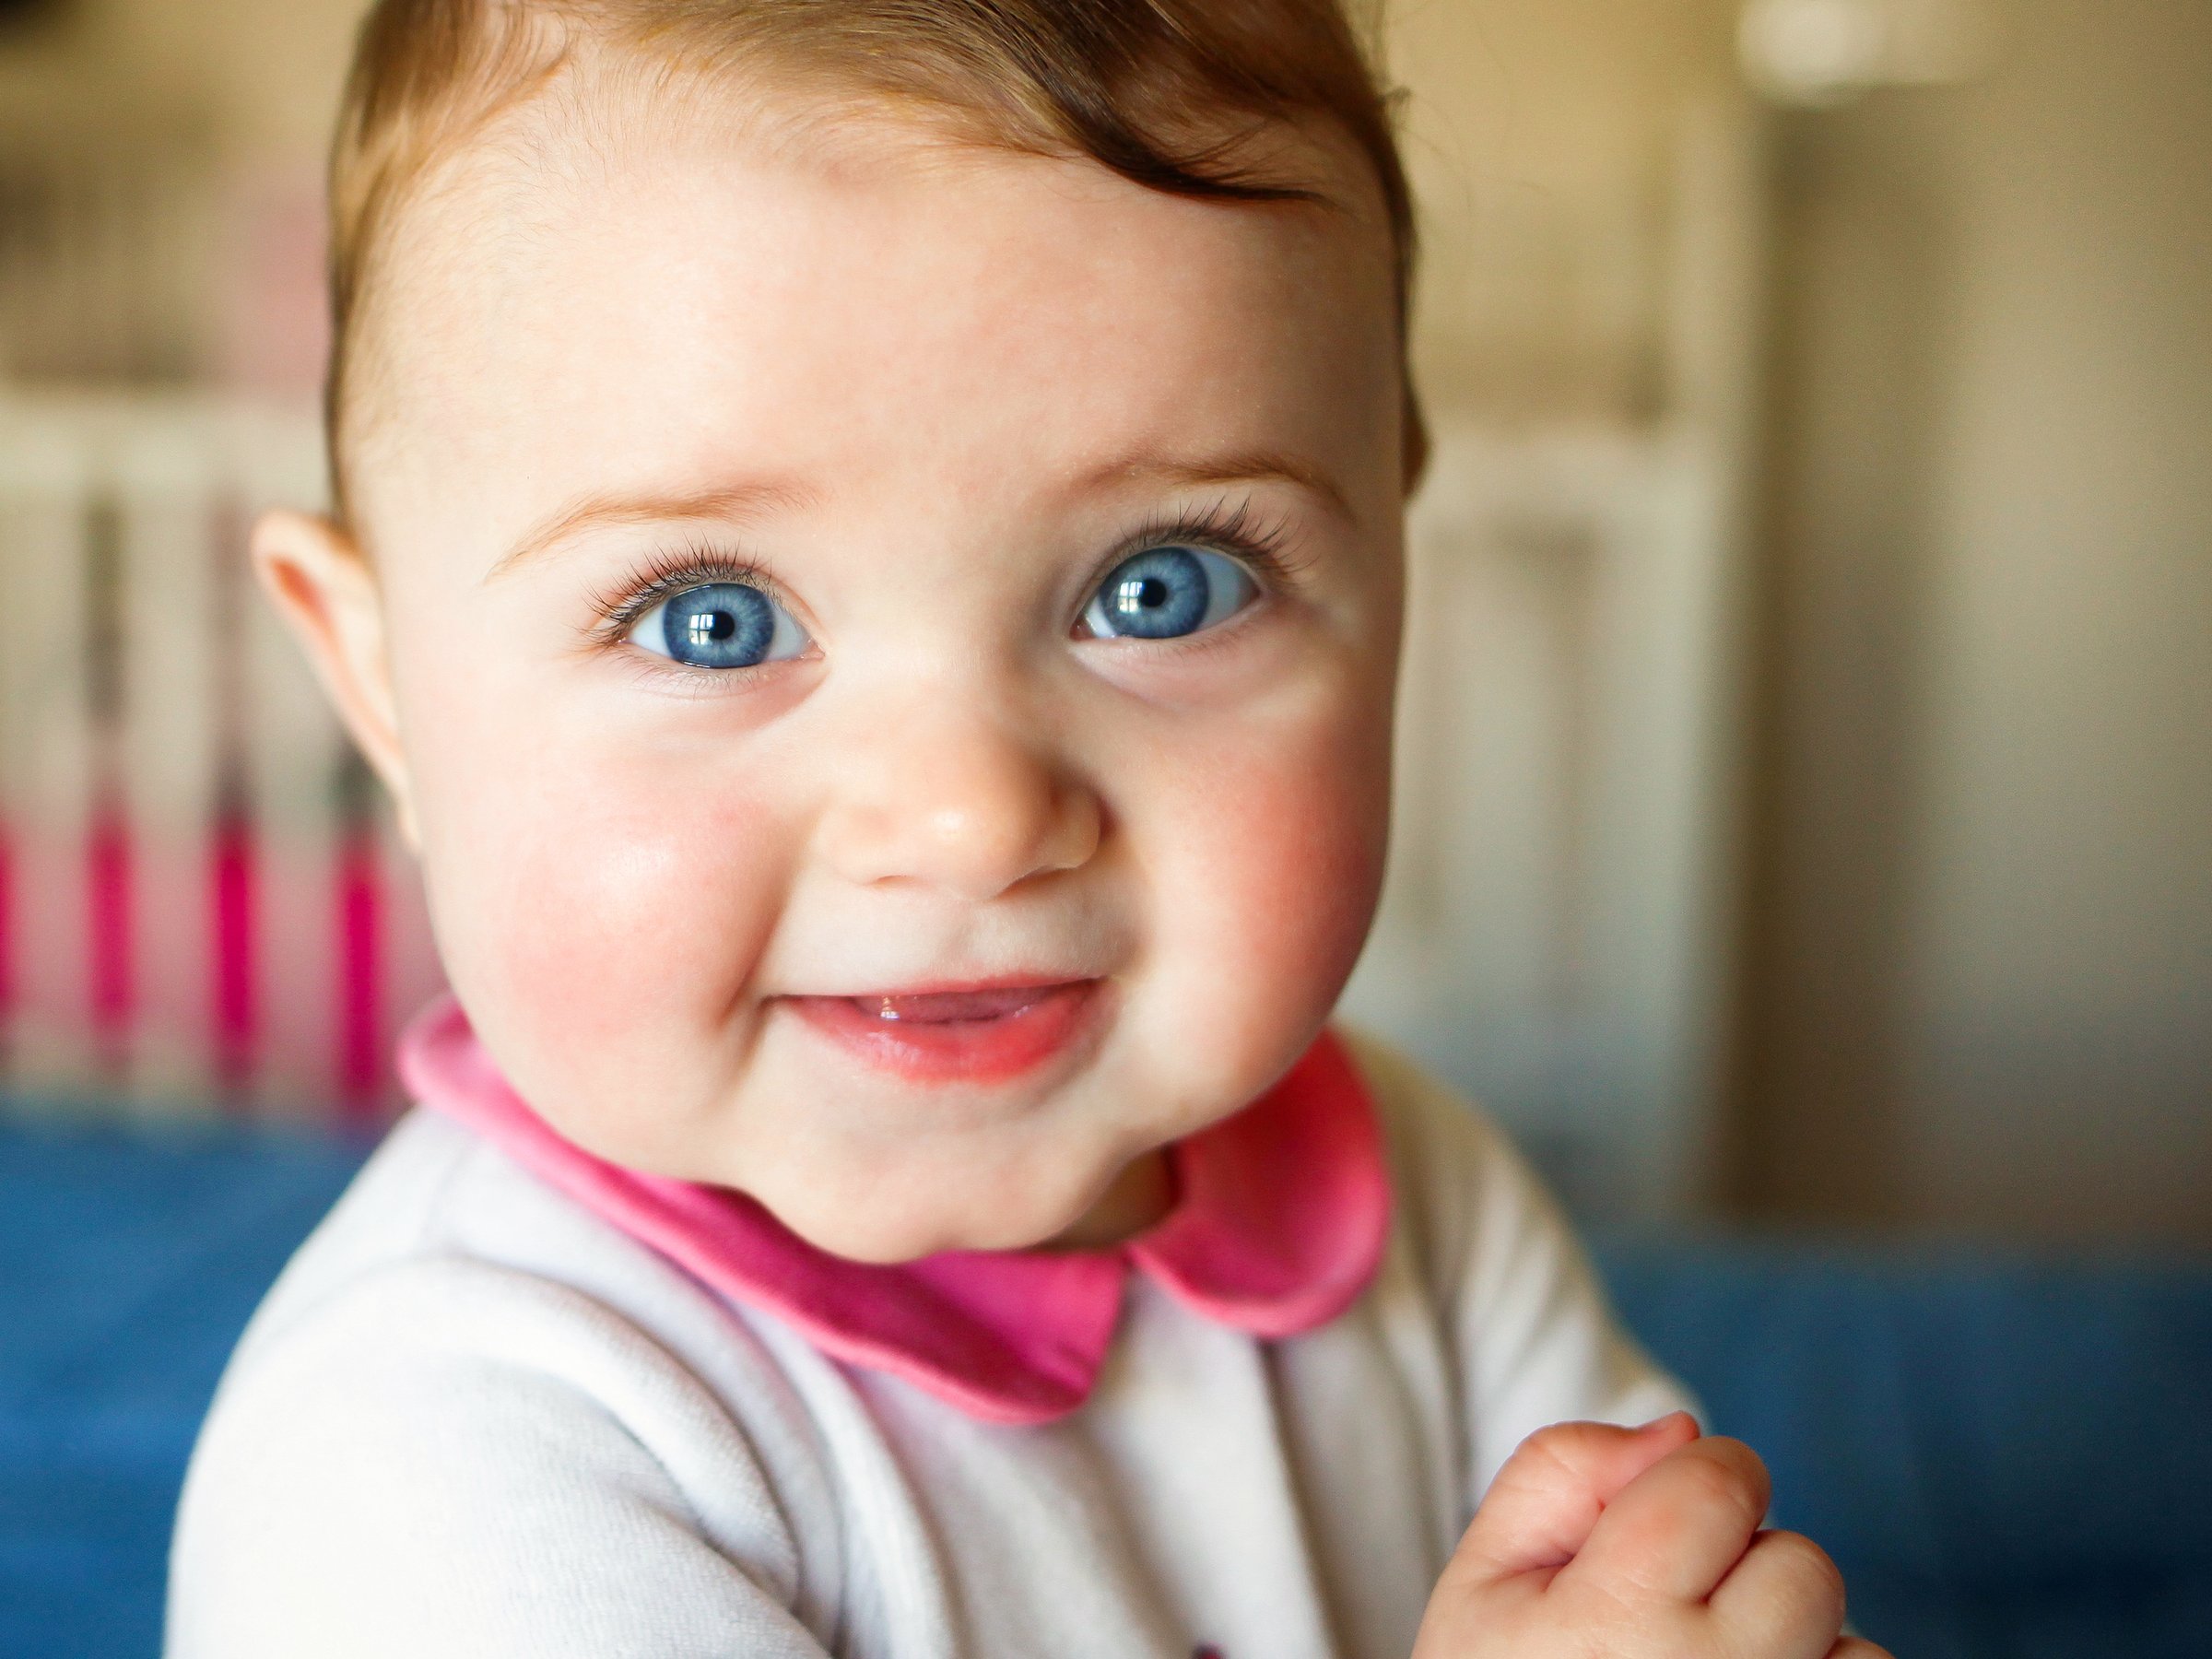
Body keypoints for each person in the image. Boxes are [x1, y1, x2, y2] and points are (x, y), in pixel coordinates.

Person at [168, 3, 1885, 1655]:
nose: (973, 816)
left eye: (1164, 587)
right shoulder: (457, 1454)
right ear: (382, 691)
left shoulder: (1415, 1207)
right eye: (716, 620)